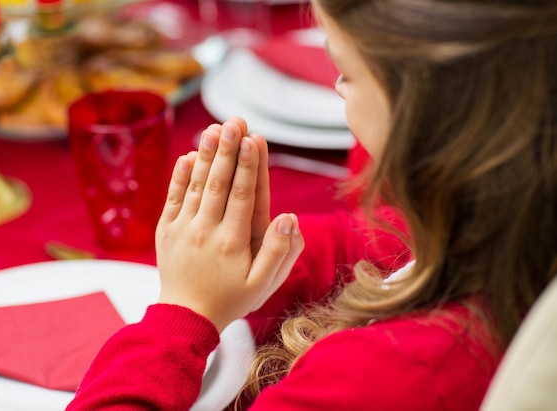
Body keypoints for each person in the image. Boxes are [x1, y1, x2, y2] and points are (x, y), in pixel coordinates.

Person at [66, 0, 557, 409]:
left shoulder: (385, 377)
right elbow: (391, 241)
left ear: (428, 115)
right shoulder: (507, 223)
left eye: (345, 72)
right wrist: (267, 255)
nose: (337, 86)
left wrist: (183, 314)